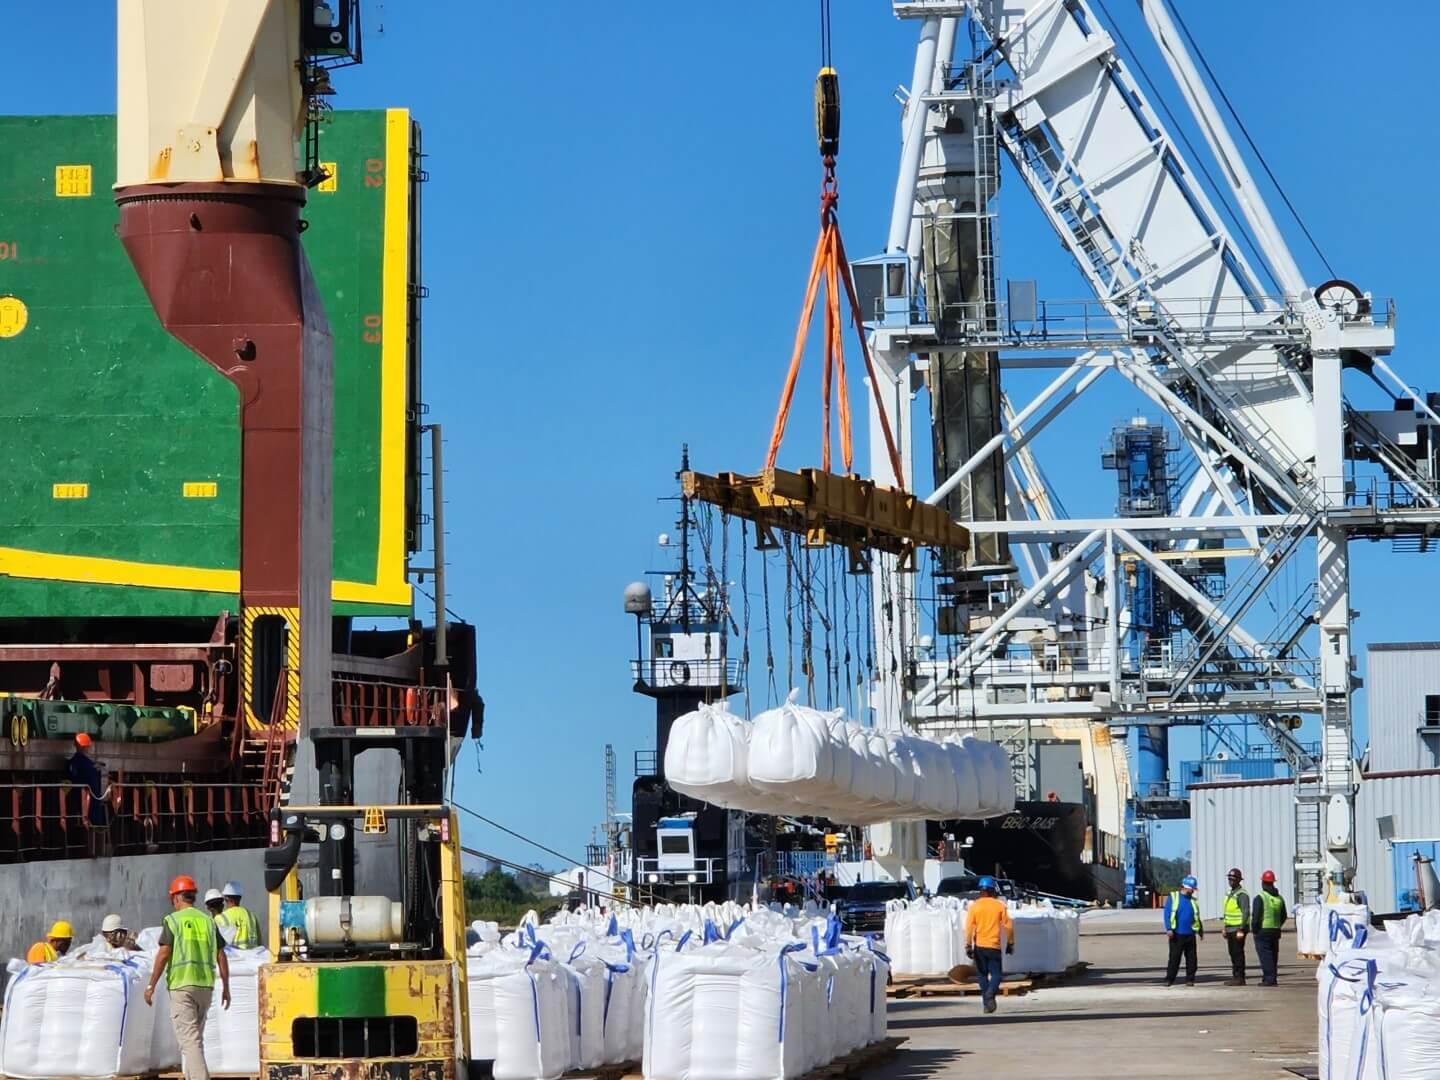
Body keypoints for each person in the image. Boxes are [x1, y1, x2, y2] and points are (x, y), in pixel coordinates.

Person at [145, 874, 231, 1080]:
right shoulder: (208, 921)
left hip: (182, 988)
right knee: (194, 1042)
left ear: (175, 898)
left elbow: (164, 953)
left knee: (190, 1042)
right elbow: (221, 954)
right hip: (205, 988)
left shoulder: (173, 920)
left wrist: (150, 985)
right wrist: (226, 987)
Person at [963, 875, 1015, 1014]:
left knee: (982, 975)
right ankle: (990, 994)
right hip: (994, 946)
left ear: (980, 890)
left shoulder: (974, 906)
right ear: (993, 890)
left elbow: (968, 928)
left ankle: (987, 1004)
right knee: (997, 975)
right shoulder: (999, 906)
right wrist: (1010, 942)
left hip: (979, 946)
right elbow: (1008, 926)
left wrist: (968, 945)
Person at [1162, 876, 1204, 986]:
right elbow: (1167, 914)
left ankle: (1190, 979)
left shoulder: (1193, 901)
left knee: (1192, 959)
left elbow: (1196, 916)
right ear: (1186, 887)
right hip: (1177, 934)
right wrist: (1169, 928)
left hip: (1190, 934)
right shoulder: (1174, 897)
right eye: (1192, 889)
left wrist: (1200, 930)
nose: (1193, 891)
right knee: (1174, 958)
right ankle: (1169, 979)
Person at [1250, 869, 1288, 987]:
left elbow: (1256, 916)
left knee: (1265, 956)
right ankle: (1271, 977)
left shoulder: (1260, 897)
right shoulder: (1279, 898)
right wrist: (1277, 925)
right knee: (1273, 955)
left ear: (1263, 883)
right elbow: (1284, 915)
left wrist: (1255, 930)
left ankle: (1269, 979)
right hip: (1275, 930)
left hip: (1262, 930)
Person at [1221, 867, 1250, 985]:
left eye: (1233, 879)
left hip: (1238, 928)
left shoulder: (1242, 894)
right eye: (1229, 879)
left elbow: (1246, 912)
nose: (1231, 881)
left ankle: (1240, 977)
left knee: (1238, 953)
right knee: (1232, 953)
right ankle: (1235, 976)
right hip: (1230, 928)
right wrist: (1225, 927)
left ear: (1239, 880)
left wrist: (1241, 928)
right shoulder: (1229, 893)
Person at [215, 881, 262, 948]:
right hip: (252, 956)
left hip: (233, 956)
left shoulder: (221, 917)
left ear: (225, 898)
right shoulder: (251, 916)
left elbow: (217, 944)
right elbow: (259, 942)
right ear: (240, 898)